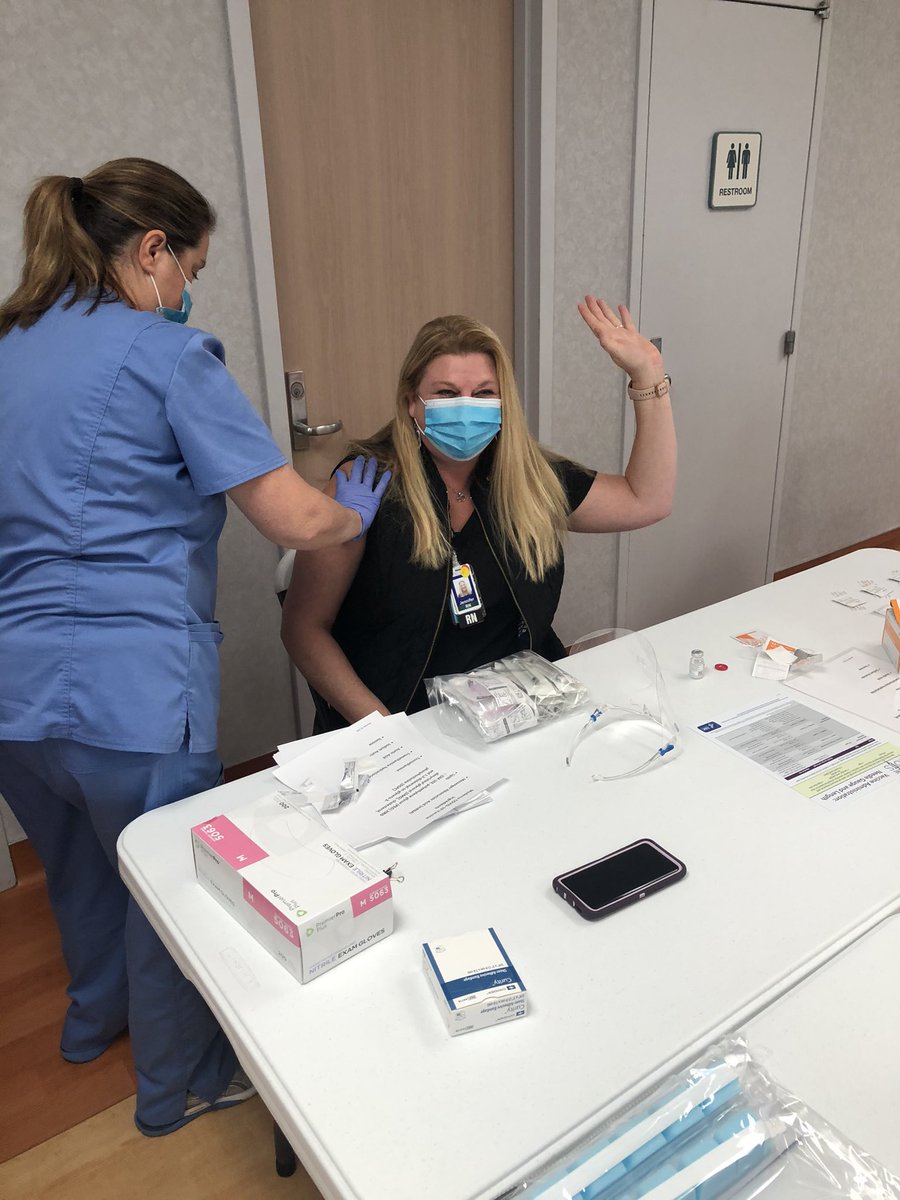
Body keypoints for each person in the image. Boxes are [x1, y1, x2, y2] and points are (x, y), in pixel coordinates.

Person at [0, 158, 389, 1136]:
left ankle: (93, 1027)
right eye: (193, 268)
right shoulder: (166, 356)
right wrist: (358, 514)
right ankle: (177, 1088)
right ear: (152, 250)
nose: (187, 294)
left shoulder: (8, 346)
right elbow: (292, 518)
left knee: (82, 870)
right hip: (132, 696)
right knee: (167, 888)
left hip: (15, 697)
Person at [281, 302, 676, 731]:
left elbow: (647, 499)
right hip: (407, 722)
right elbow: (304, 630)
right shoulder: (365, 485)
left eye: (484, 393)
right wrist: (385, 730)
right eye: (447, 393)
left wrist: (648, 375)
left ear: (504, 402)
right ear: (412, 402)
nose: (466, 408)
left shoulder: (528, 479)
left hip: (522, 712)